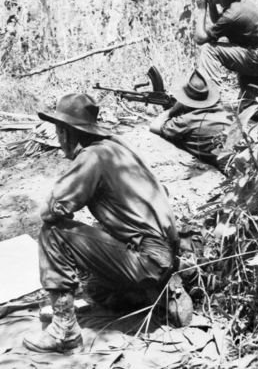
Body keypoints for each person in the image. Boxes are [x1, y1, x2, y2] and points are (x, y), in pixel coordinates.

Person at [22, 93, 192, 354]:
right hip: (166, 250)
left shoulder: (92, 157)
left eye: (59, 132)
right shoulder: (120, 146)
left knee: (53, 234)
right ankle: (157, 294)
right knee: (97, 288)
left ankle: (63, 331)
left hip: (147, 259)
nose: (58, 139)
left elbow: (49, 212)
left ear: (67, 133)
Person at [194, 0, 258, 111]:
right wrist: (211, 3)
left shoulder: (233, 13)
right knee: (248, 109)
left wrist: (202, 9)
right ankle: (254, 103)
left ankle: (210, 102)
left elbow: (200, 39)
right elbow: (220, 23)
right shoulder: (238, 3)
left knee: (209, 49)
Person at [150, 69, 232, 169]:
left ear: (186, 100)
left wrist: (172, 111)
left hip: (232, 168)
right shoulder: (225, 113)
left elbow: (154, 125)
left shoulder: (186, 121)